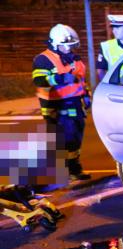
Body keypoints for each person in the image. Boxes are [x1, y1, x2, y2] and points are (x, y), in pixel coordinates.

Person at [33, 25, 91, 184]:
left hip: (75, 103)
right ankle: (64, 171)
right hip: (56, 106)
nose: (69, 49)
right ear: (55, 44)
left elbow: (81, 79)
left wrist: (86, 95)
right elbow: (39, 80)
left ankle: (74, 169)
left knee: (76, 138)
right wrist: (60, 78)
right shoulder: (43, 59)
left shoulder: (74, 58)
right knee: (65, 138)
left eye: (71, 46)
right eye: (65, 46)